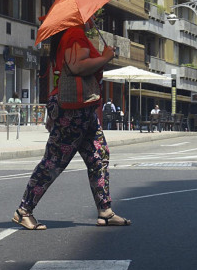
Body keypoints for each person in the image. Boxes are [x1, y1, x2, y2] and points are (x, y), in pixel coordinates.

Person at [12, 16, 131, 229]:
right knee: (54, 161)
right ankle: (24, 210)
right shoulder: (74, 33)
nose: (94, 17)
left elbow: (61, 75)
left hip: (82, 110)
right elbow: (76, 67)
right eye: (92, 14)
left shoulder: (71, 35)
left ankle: (105, 211)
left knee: (99, 156)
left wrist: (53, 113)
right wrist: (105, 57)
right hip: (74, 113)